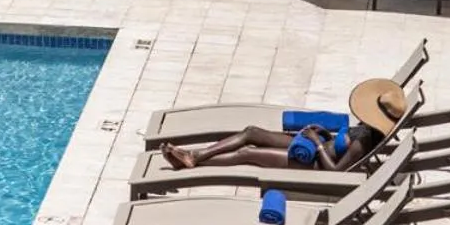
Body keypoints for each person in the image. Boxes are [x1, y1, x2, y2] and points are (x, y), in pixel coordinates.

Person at [160, 77, 406, 172]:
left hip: (311, 163)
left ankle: (192, 160)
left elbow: (335, 172)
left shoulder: (363, 142)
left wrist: (317, 144)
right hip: (314, 144)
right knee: (252, 132)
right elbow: (338, 142)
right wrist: (322, 133)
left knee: (248, 153)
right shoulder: (366, 128)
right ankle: (195, 156)